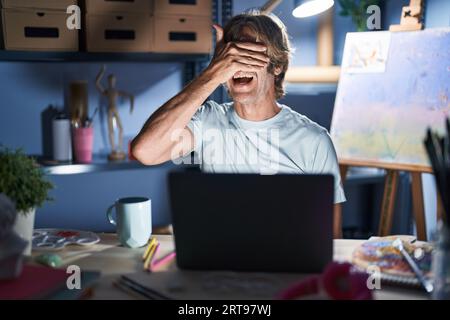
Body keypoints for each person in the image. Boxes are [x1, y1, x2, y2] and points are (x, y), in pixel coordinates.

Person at [131, 11, 346, 237]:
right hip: (222, 260)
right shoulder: (208, 121)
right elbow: (145, 151)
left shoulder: (315, 141)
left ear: (277, 65)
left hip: (286, 264)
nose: (239, 64)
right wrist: (212, 74)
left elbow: (332, 239)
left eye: (250, 53)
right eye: (232, 56)